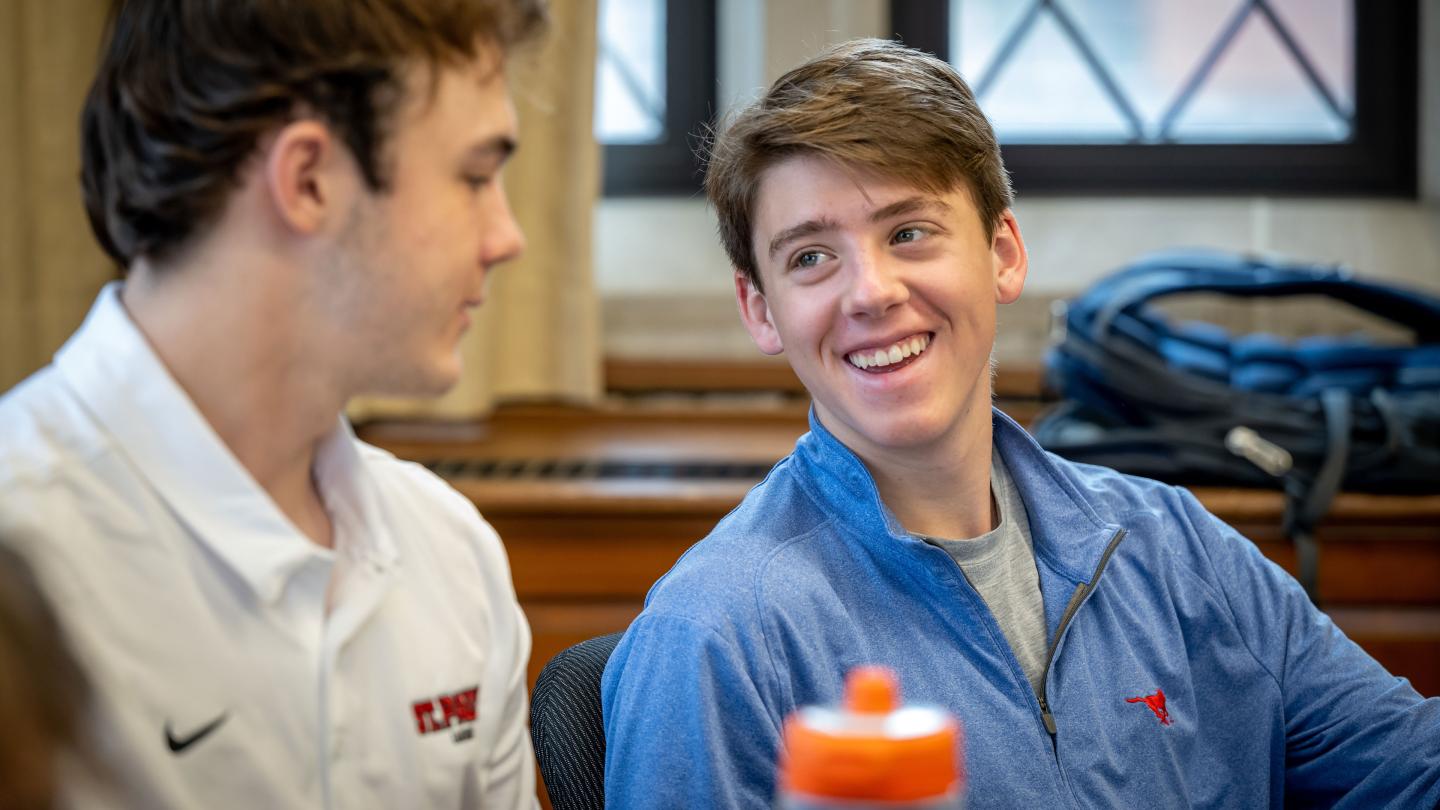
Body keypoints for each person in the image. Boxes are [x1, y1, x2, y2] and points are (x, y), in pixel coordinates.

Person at [601, 38, 1440, 808]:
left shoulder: (1180, 553)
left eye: (910, 231)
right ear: (760, 309)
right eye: (811, 257)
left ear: (1003, 253)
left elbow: (1410, 767)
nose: (872, 293)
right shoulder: (714, 638)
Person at [0, 0, 546, 806]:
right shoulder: (23, 541)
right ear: (308, 179)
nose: (507, 236)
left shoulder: (453, 552)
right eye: (473, 176)